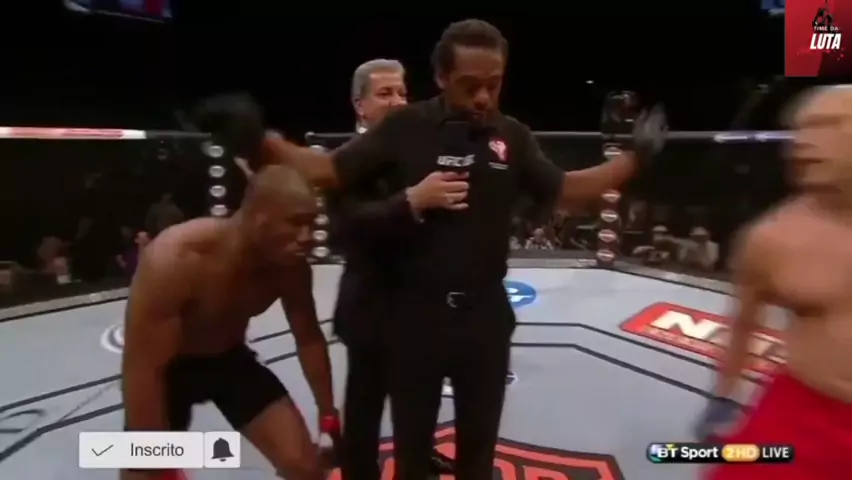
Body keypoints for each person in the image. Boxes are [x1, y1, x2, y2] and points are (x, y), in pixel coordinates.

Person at [195, 19, 664, 480]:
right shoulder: (405, 127)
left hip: (485, 318)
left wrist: (635, 159)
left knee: (478, 453)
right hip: (414, 319)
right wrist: (260, 142)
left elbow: (568, 190)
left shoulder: (511, 136)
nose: (483, 98)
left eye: (494, 85)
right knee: (412, 455)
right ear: (441, 77)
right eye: (470, 86)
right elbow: (328, 171)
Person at [120, 165, 337, 480]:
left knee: (306, 468)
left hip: (230, 361)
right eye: (295, 223)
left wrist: (329, 414)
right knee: (144, 475)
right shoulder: (175, 258)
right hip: (167, 372)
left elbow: (308, 338)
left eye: (311, 223)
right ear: (258, 216)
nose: (307, 237)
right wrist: (154, 458)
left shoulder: (290, 268)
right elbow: (142, 367)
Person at [696, 85, 852, 480]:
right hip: (811, 411)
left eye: (826, 126)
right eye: (801, 129)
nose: (802, 142)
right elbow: (742, 325)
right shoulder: (773, 238)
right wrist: (723, 398)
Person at [325, 58, 457, 477]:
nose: (398, 101)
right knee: (365, 403)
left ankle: (418, 456)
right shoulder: (343, 162)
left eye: (402, 92)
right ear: (359, 105)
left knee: (420, 397)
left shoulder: (421, 152)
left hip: (422, 302)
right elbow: (345, 231)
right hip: (372, 305)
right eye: (385, 93)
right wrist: (410, 201)